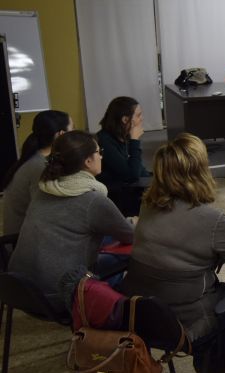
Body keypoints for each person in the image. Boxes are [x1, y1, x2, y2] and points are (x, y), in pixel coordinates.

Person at [120, 133, 225, 373]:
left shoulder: (147, 205)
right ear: (200, 171)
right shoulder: (213, 220)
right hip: (183, 320)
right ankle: (215, 371)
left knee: (215, 292)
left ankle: (212, 365)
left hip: (139, 311)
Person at [8, 131, 134, 314]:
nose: (101, 156)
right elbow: (130, 236)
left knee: (102, 241)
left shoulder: (44, 188)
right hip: (60, 295)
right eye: (98, 151)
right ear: (88, 161)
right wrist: (133, 221)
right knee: (129, 256)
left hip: (19, 288)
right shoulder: (93, 200)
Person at [2, 110, 72, 235]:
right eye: (72, 131)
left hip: (28, 237)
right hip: (24, 242)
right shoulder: (39, 167)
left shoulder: (34, 159)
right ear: (61, 135)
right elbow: (48, 213)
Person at [96, 96, 151, 216]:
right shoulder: (104, 141)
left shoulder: (121, 136)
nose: (141, 119)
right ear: (125, 120)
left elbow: (138, 167)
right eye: (138, 115)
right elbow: (132, 175)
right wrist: (135, 141)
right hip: (119, 195)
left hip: (129, 186)